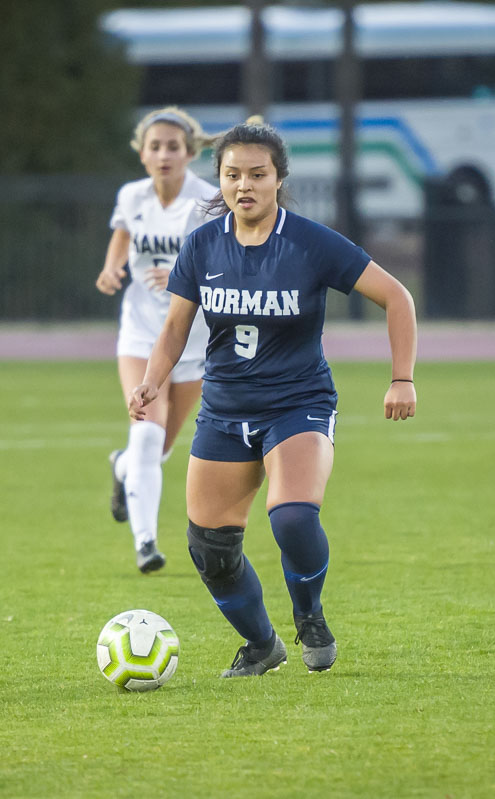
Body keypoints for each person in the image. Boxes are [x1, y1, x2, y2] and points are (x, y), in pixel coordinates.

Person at [128, 121, 417, 677]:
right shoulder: (203, 244)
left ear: (279, 179)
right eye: (232, 175)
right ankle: (262, 645)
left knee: (291, 517)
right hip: (226, 409)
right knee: (210, 549)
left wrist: (401, 378)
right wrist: (152, 379)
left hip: (298, 403)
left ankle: (309, 616)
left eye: (257, 175)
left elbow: (398, 298)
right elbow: (173, 330)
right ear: (220, 180)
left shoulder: (311, 243)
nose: (244, 186)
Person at [95, 106, 217, 574]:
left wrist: (187, 278)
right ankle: (146, 543)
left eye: (173, 146)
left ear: (189, 153)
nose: (164, 154)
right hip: (141, 333)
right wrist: (112, 268)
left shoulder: (208, 201)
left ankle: (123, 468)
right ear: (142, 154)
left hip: (193, 338)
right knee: (146, 433)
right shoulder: (132, 195)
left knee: (160, 447)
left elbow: (225, 261)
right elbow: (123, 235)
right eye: (155, 146)